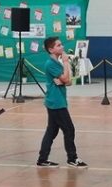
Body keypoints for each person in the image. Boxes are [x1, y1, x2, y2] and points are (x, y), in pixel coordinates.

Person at [36, 36, 88, 168]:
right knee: (69, 129)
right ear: (51, 49)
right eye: (58, 45)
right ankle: (72, 158)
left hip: (57, 100)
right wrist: (65, 63)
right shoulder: (51, 64)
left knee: (52, 131)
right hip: (56, 102)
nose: (62, 47)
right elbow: (65, 79)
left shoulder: (56, 63)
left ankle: (42, 159)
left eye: (61, 44)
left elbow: (68, 81)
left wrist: (64, 78)